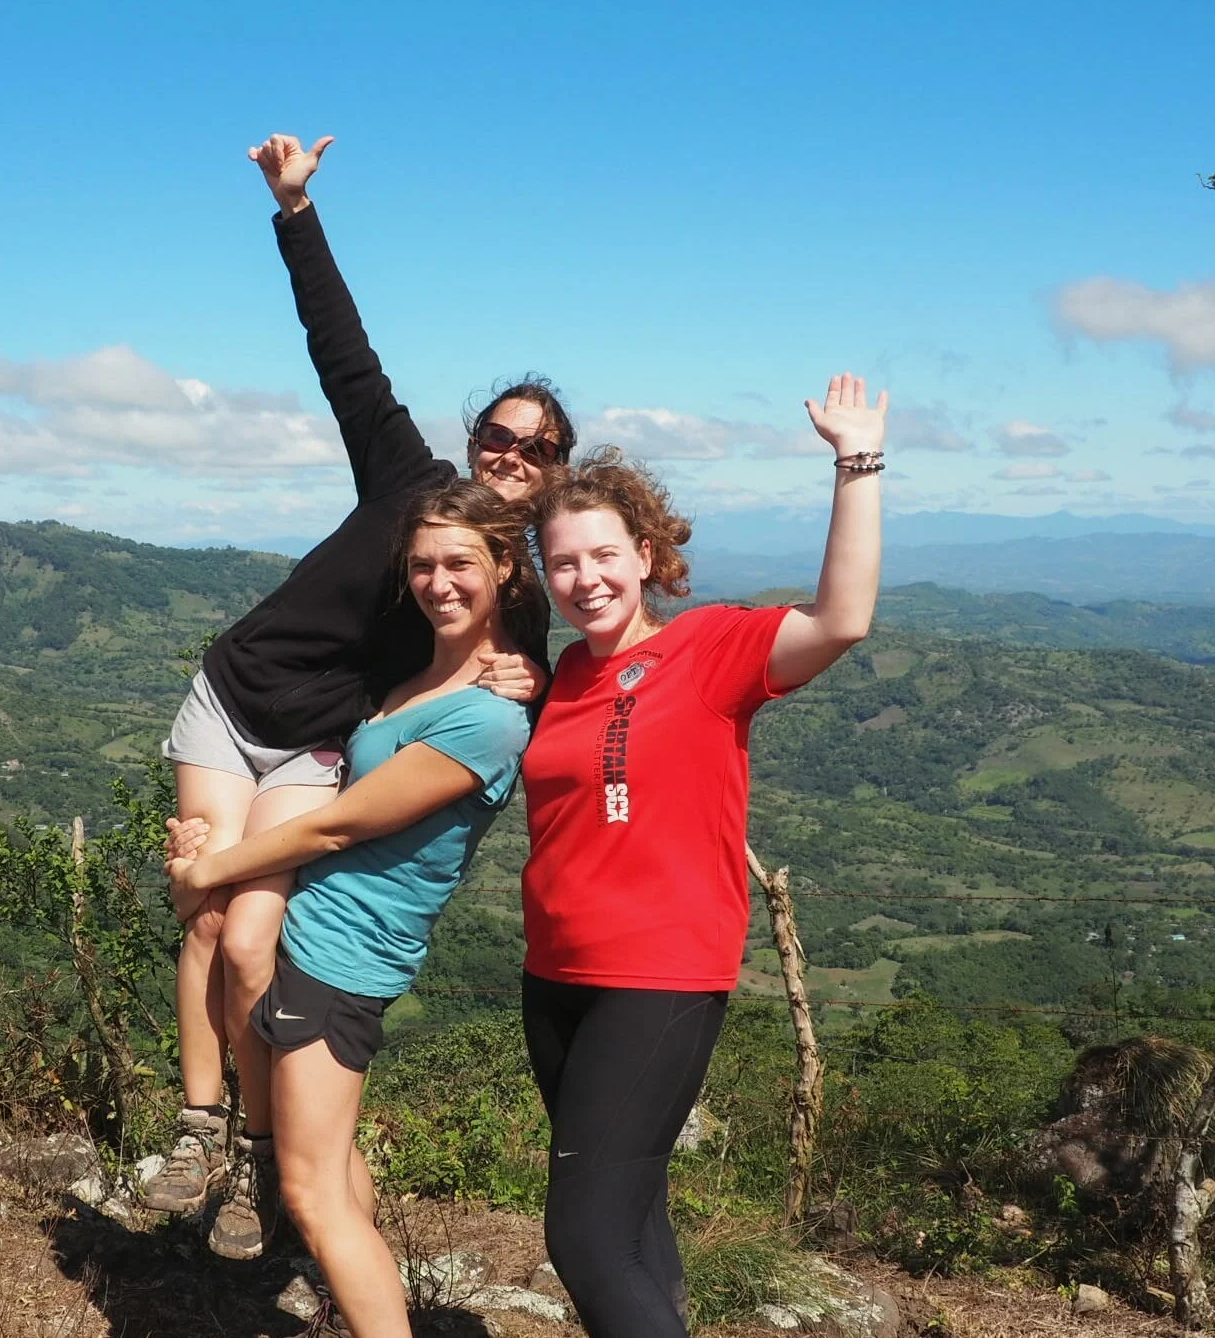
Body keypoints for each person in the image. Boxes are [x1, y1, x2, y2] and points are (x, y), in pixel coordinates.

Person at [144, 131, 573, 1259]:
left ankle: (253, 1152)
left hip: (313, 752)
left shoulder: (519, 593)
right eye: (502, 433)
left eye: (541, 447)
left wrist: (531, 677)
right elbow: (343, 351)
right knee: (200, 912)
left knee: (247, 938)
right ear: (476, 437)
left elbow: (552, 691)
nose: (515, 452)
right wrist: (293, 210)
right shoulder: (405, 474)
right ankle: (198, 1127)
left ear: (553, 472)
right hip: (229, 696)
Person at [520, 374, 887, 1337]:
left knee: (585, 1240)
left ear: (645, 555)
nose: (585, 578)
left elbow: (841, 619)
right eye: (563, 564)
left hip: (659, 976)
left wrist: (857, 462)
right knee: (634, 1223)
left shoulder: (710, 649)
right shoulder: (560, 673)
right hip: (553, 974)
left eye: (604, 554)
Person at [165, 480, 543, 1338]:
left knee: (310, 1192)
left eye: (460, 564)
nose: (438, 582)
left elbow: (336, 827)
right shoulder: (421, 677)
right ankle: (352, 1302)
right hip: (306, 943)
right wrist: (207, 869)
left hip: (338, 961)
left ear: (507, 568)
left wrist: (214, 868)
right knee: (329, 1166)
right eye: (422, 566)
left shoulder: (486, 720)